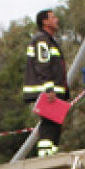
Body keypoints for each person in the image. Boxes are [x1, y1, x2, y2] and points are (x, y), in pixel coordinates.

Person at [23, 9, 69, 157]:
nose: (57, 19)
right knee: (49, 123)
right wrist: (48, 88)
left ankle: (51, 153)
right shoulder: (42, 40)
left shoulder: (49, 41)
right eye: (53, 17)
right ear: (45, 22)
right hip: (47, 91)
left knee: (55, 124)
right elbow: (42, 63)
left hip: (54, 91)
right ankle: (45, 155)